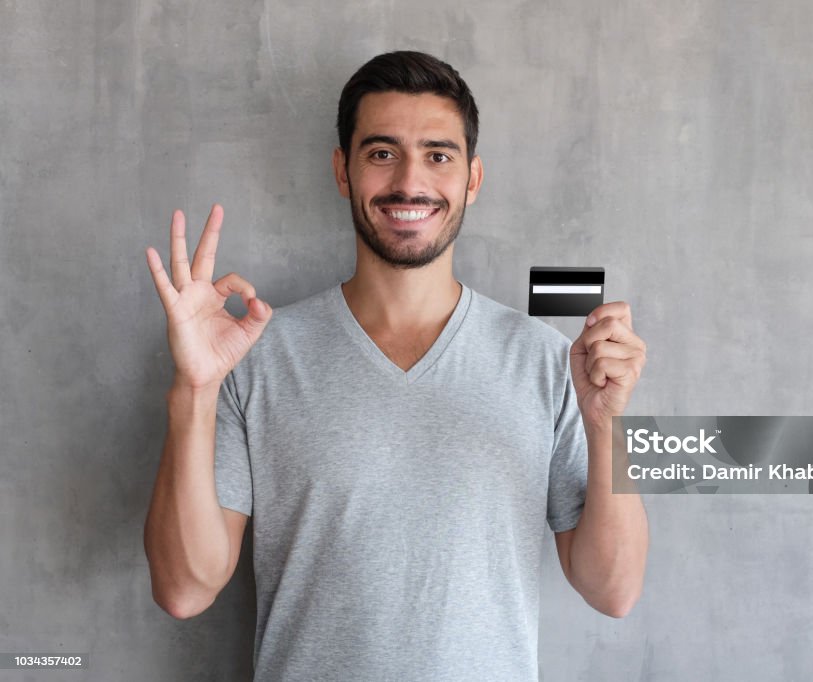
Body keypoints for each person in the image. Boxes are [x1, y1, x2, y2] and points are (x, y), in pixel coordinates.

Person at [143, 50, 648, 681]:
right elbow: (185, 590)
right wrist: (193, 389)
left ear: (473, 178)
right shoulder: (254, 355)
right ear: (343, 171)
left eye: (438, 155)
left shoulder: (549, 360)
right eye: (382, 152)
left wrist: (606, 425)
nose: (410, 181)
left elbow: (613, 590)